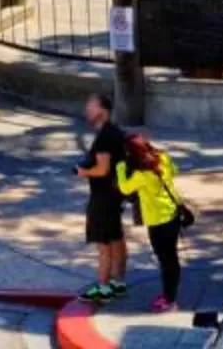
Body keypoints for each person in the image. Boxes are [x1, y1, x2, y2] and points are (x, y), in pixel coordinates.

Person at [116, 128, 191, 314]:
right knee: (171, 258)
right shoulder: (163, 158)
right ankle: (170, 295)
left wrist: (120, 167)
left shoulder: (141, 176)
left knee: (166, 261)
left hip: (158, 222)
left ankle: (170, 300)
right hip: (173, 215)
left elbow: (124, 189)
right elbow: (175, 171)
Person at [73, 89, 129, 303]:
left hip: (102, 197)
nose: (87, 109)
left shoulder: (105, 136)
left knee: (103, 243)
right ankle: (119, 282)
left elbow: (103, 169)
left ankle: (103, 287)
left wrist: (82, 171)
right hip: (115, 194)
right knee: (116, 238)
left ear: (102, 111)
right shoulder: (115, 132)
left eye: (91, 106)